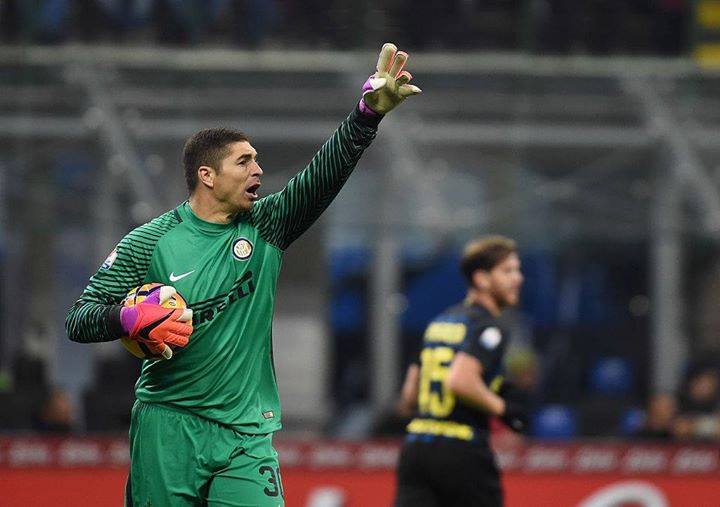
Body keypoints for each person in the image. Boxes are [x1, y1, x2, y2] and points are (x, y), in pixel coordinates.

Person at [65, 43, 420, 507]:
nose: (259, 169)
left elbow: (320, 177)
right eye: (244, 161)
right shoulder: (149, 241)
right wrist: (125, 319)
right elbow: (79, 319)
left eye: (256, 160)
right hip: (167, 426)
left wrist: (366, 117)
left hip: (246, 432)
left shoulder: (267, 225)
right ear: (207, 175)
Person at [394, 236, 528, 507]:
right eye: (508, 271)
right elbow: (460, 380)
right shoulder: (489, 327)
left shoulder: (439, 323)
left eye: (517, 270)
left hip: (416, 448)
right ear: (481, 279)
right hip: (461, 450)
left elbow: (408, 398)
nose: (518, 278)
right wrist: (503, 408)